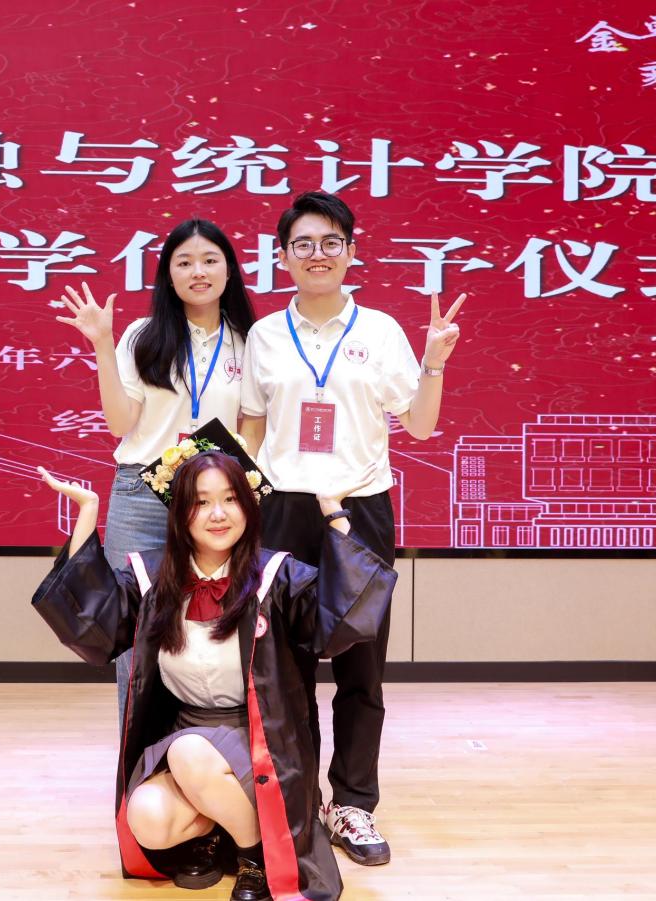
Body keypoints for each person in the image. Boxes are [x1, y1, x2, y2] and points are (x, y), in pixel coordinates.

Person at [32, 448, 396, 901]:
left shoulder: (276, 576)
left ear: (248, 505)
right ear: (180, 513)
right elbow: (94, 625)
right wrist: (89, 514)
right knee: (147, 817)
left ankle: (255, 856)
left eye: (229, 499)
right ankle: (218, 830)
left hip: (262, 741)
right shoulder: (154, 579)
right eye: (201, 502)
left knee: (189, 754)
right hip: (187, 730)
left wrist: (334, 513)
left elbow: (343, 619)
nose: (217, 514)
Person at [238, 191, 465, 867]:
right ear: (282, 256)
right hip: (284, 510)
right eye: (304, 244)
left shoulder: (382, 330)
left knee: (361, 666)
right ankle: (300, 798)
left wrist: (434, 361)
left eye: (331, 242)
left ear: (351, 252)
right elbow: (252, 428)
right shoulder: (265, 335)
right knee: (286, 669)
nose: (318, 255)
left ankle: (354, 803)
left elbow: (419, 424)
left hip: (359, 510)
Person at [54, 218, 257, 724]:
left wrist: (237, 489)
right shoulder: (143, 336)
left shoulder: (250, 341)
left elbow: (254, 426)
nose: (198, 271)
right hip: (143, 495)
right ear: (168, 274)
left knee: (212, 623)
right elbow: (119, 423)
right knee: (135, 625)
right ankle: (138, 754)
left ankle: (207, 744)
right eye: (184, 262)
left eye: (209, 260)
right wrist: (103, 344)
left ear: (229, 270)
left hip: (215, 501)